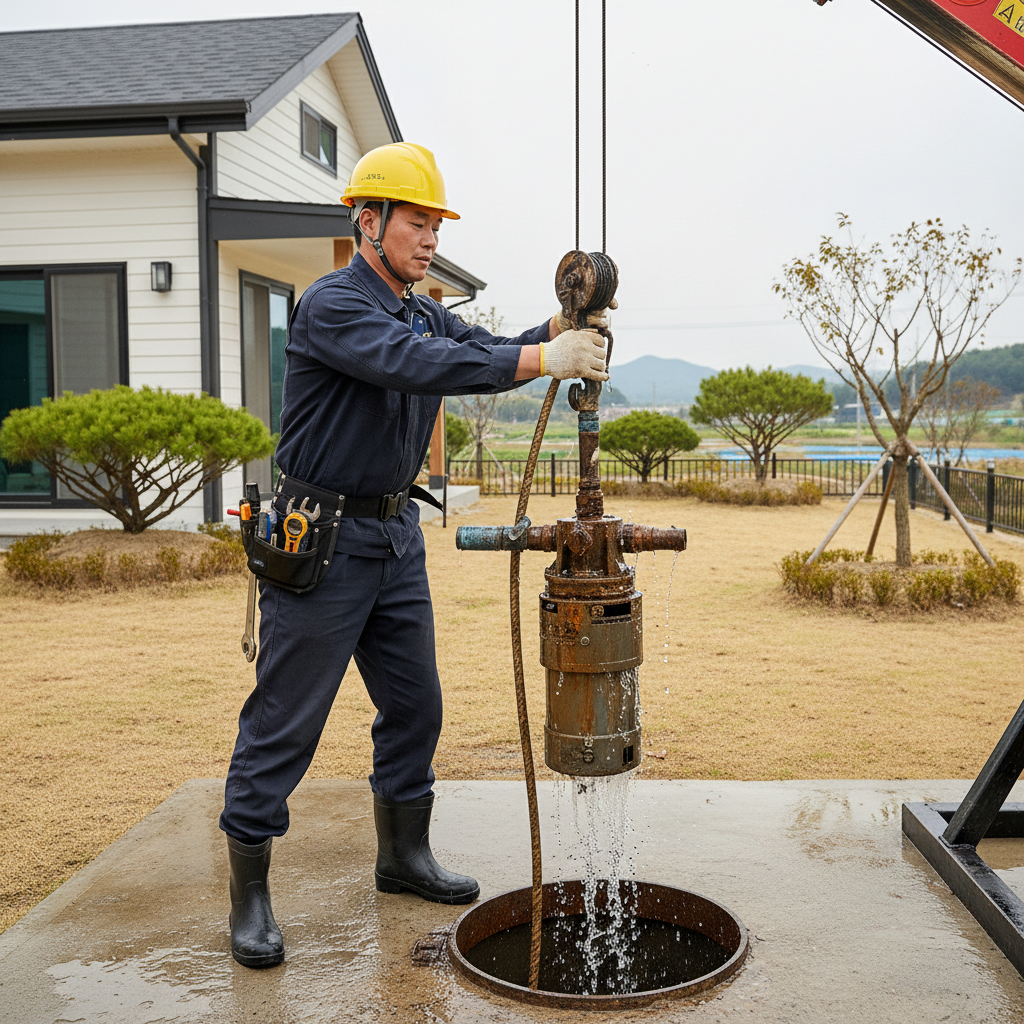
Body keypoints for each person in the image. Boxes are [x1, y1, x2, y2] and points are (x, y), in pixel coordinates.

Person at [219, 142, 609, 968]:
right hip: (320, 539)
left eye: (436, 224)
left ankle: (402, 857)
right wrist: (543, 363)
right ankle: (249, 892)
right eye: (415, 221)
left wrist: (559, 328)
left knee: (416, 704)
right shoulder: (333, 306)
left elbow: (467, 341)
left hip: (394, 536)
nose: (429, 238)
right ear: (369, 221)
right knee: (285, 722)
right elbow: (417, 364)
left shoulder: (419, 306)